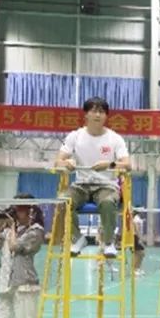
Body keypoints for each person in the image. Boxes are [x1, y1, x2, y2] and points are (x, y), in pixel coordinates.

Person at [54, 96, 131, 257]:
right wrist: (67, 162)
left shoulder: (115, 138)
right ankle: (78, 239)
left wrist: (109, 165)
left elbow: (127, 165)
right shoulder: (75, 136)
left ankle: (109, 243)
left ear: (106, 116)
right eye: (94, 111)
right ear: (86, 114)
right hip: (81, 185)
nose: (97, 115)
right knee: (62, 201)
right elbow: (57, 162)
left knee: (108, 202)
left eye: (101, 112)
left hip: (106, 186)